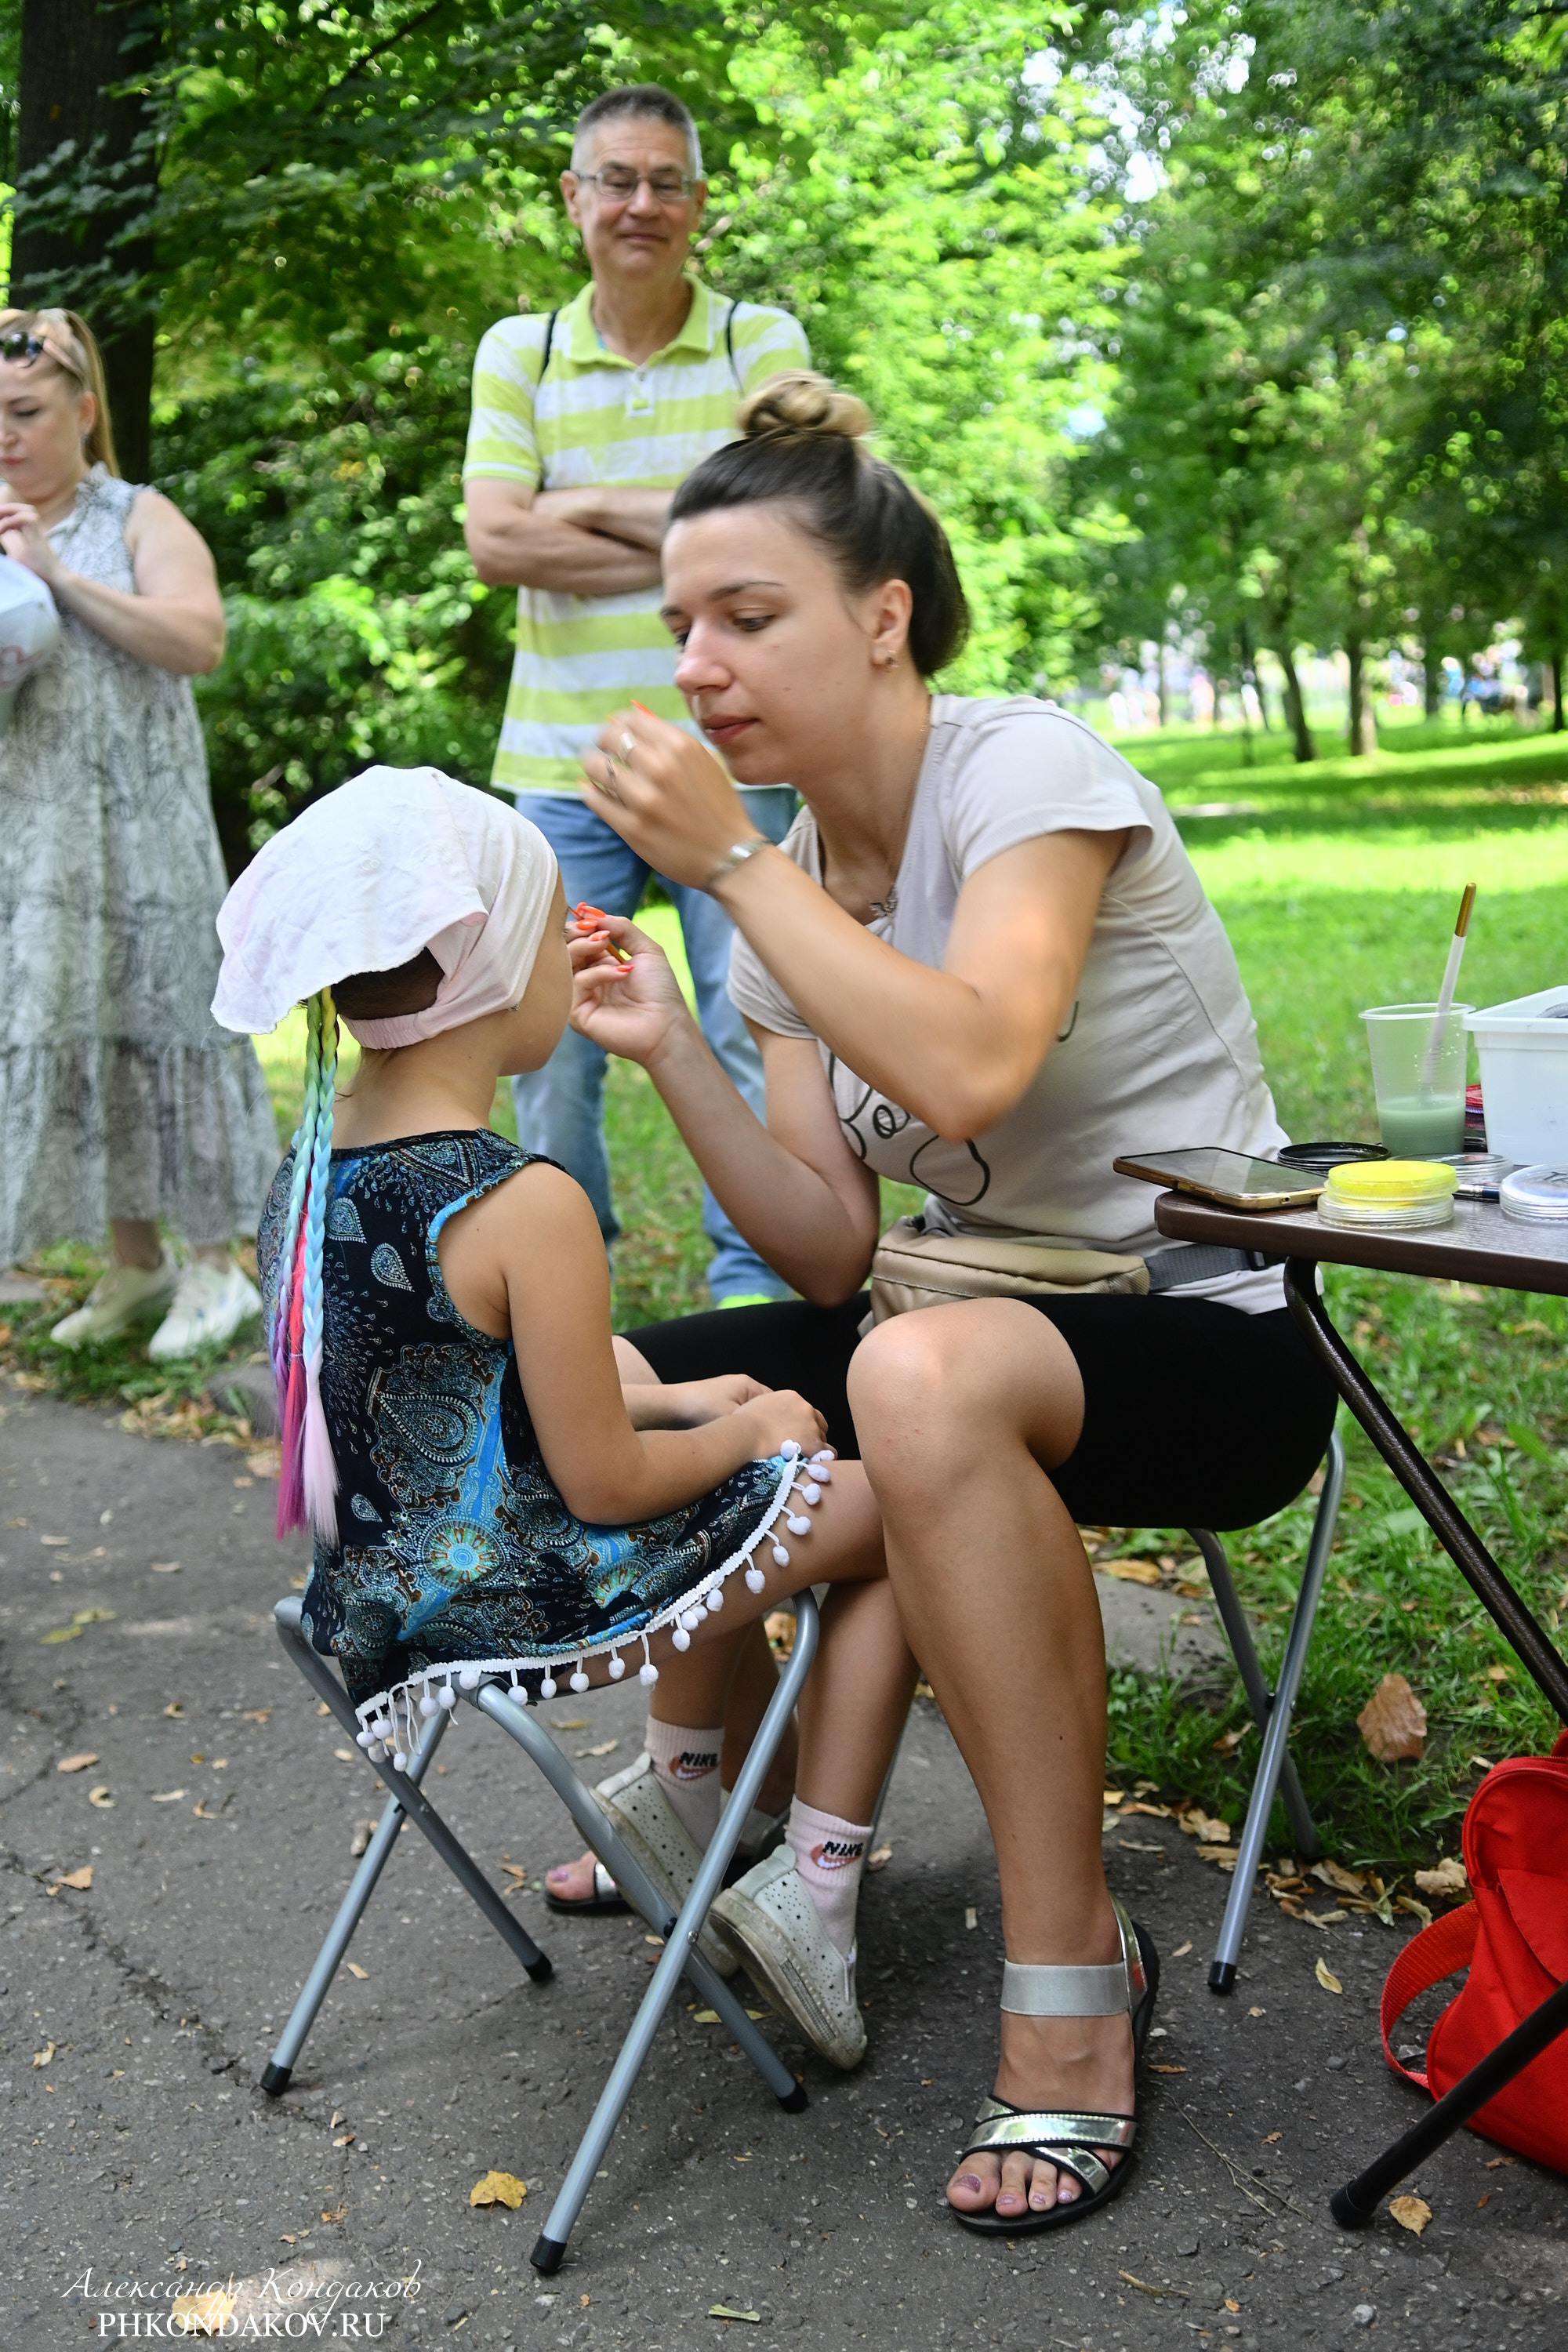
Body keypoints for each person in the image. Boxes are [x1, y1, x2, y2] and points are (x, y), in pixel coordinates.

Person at [557, 372, 1339, 2235]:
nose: (701, 664)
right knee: (594, 1378)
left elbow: (979, 1061)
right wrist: (677, 1046)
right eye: (680, 626)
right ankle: (737, 1799)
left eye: (750, 616)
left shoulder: (1024, 778)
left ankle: (1072, 1991)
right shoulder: (775, 899)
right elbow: (826, 1244)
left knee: (910, 1381)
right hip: (939, 1328)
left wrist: (728, 865)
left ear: (883, 615)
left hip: (1200, 1334)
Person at [211, 766, 916, 2069]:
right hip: (518, 1590)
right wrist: (751, 1435)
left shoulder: (305, 1171)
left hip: (374, 1601)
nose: (576, 943)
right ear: (486, 972)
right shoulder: (517, 1196)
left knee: (745, 1472)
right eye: (556, 928)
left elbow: (469, 1381)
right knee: (891, 1506)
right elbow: (601, 1485)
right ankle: (814, 1877)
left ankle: (692, 1803)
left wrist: (695, 1394)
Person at [462, 81, 808, 1309]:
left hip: (740, 759)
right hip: (562, 767)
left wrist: (580, 508)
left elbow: (792, 528)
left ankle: (756, 1298)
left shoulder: (757, 343)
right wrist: (699, 535)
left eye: (667, 181)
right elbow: (495, 543)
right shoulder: (524, 351)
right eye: (617, 179)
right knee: (546, 1053)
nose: (642, 204)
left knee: (755, 1029)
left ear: (700, 202)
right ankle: (566, 1307)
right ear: (574, 198)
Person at [0, 307, 278, 1356]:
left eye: (26, 411)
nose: (7, 434)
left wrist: (61, 580)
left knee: (165, 1023)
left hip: (144, 833)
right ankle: (135, 1262)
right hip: (34, 841)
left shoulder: (134, 517)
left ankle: (218, 1268)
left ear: (84, 410)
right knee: (81, 1029)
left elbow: (199, 638)